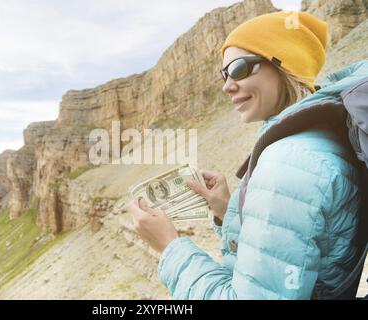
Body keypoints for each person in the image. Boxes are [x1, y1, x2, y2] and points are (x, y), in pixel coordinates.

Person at [127, 11, 367, 299]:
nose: (227, 86)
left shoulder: (289, 161)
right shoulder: (322, 137)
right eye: (224, 74)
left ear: (283, 65)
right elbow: (292, 251)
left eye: (239, 68)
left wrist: (170, 246)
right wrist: (227, 209)